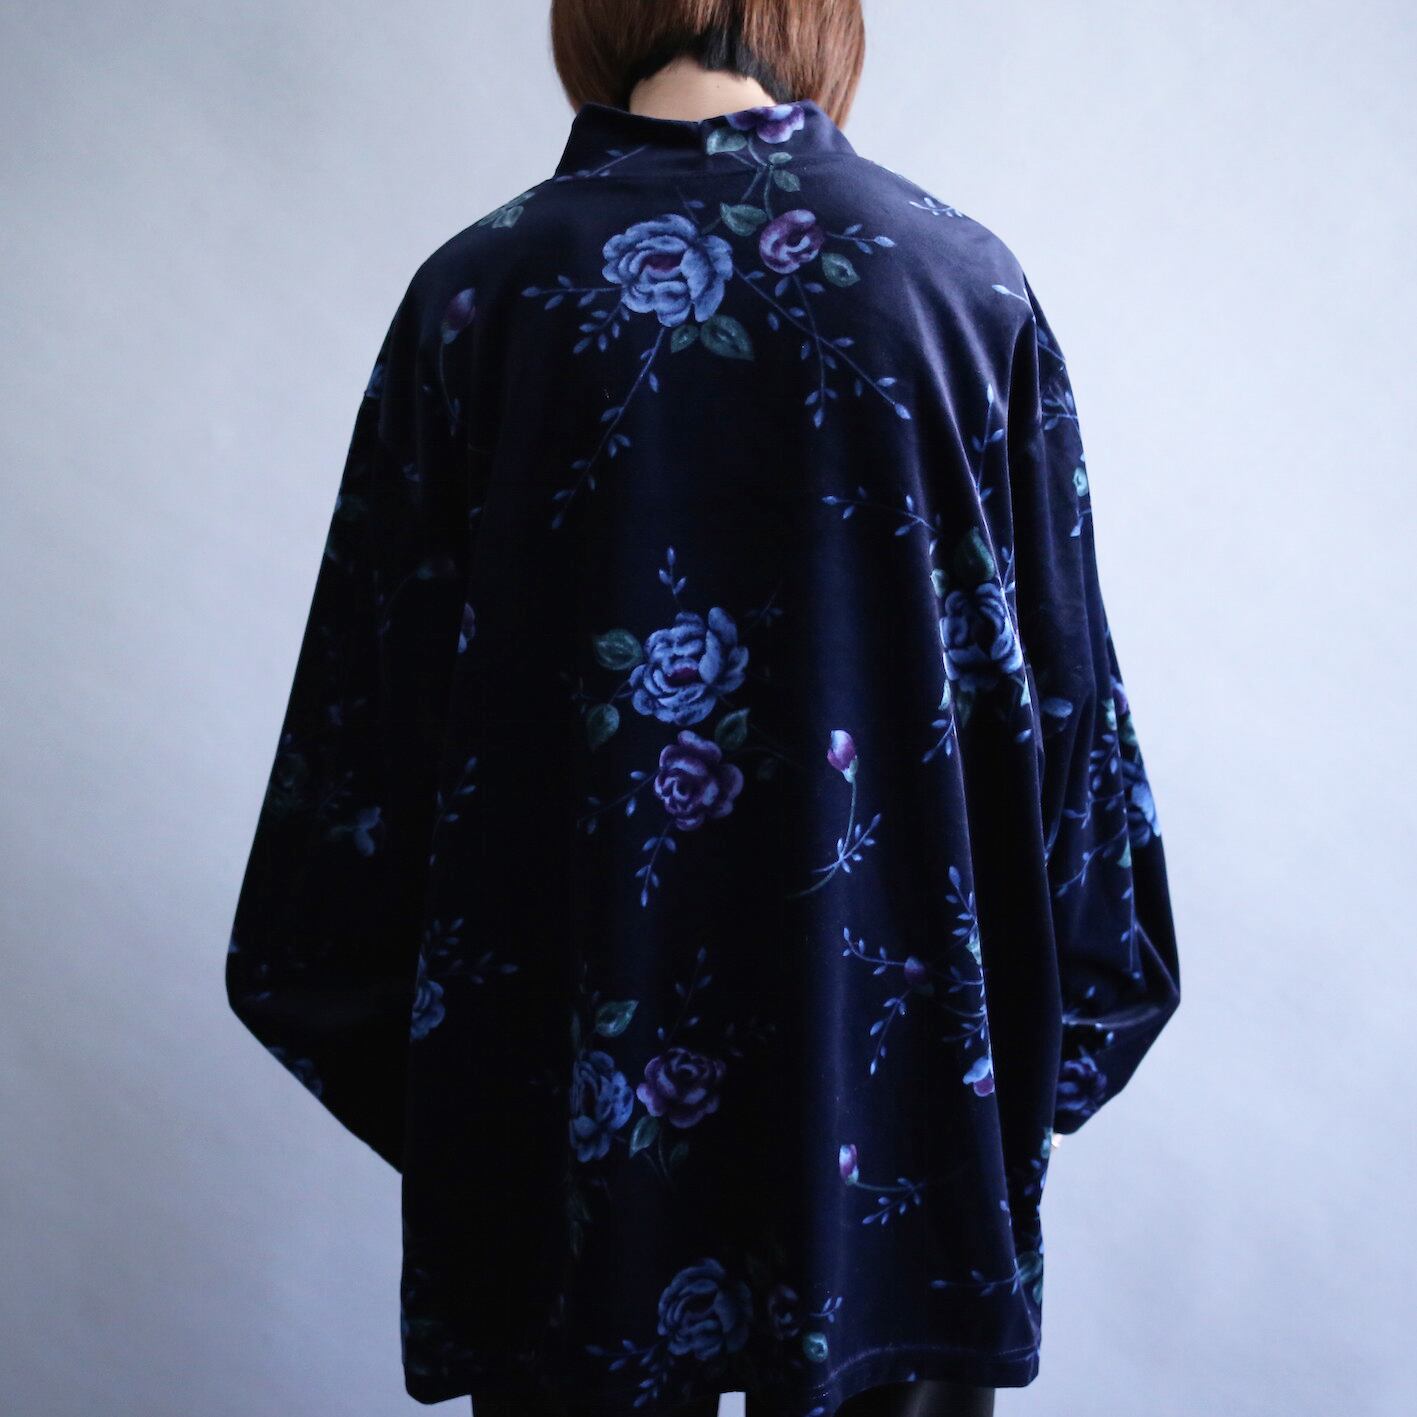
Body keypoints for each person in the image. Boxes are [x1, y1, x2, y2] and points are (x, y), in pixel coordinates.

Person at [225, 3, 1182, 1415]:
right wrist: (985, 1101)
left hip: (566, 1161)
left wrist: (485, 1119)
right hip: (895, 1155)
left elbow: (350, 779)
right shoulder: (959, 289)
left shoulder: (479, 295)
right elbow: (1071, 753)